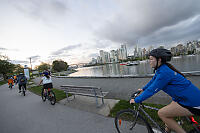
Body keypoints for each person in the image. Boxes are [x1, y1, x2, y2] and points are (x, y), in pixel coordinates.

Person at [130, 48, 200, 133]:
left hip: (193, 103)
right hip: (185, 98)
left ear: (159, 60)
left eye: (151, 59)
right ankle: (167, 131)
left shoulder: (164, 73)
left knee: (162, 113)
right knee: (169, 109)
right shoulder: (162, 69)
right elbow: (153, 81)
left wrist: (136, 100)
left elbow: (152, 90)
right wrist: (143, 89)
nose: (149, 61)